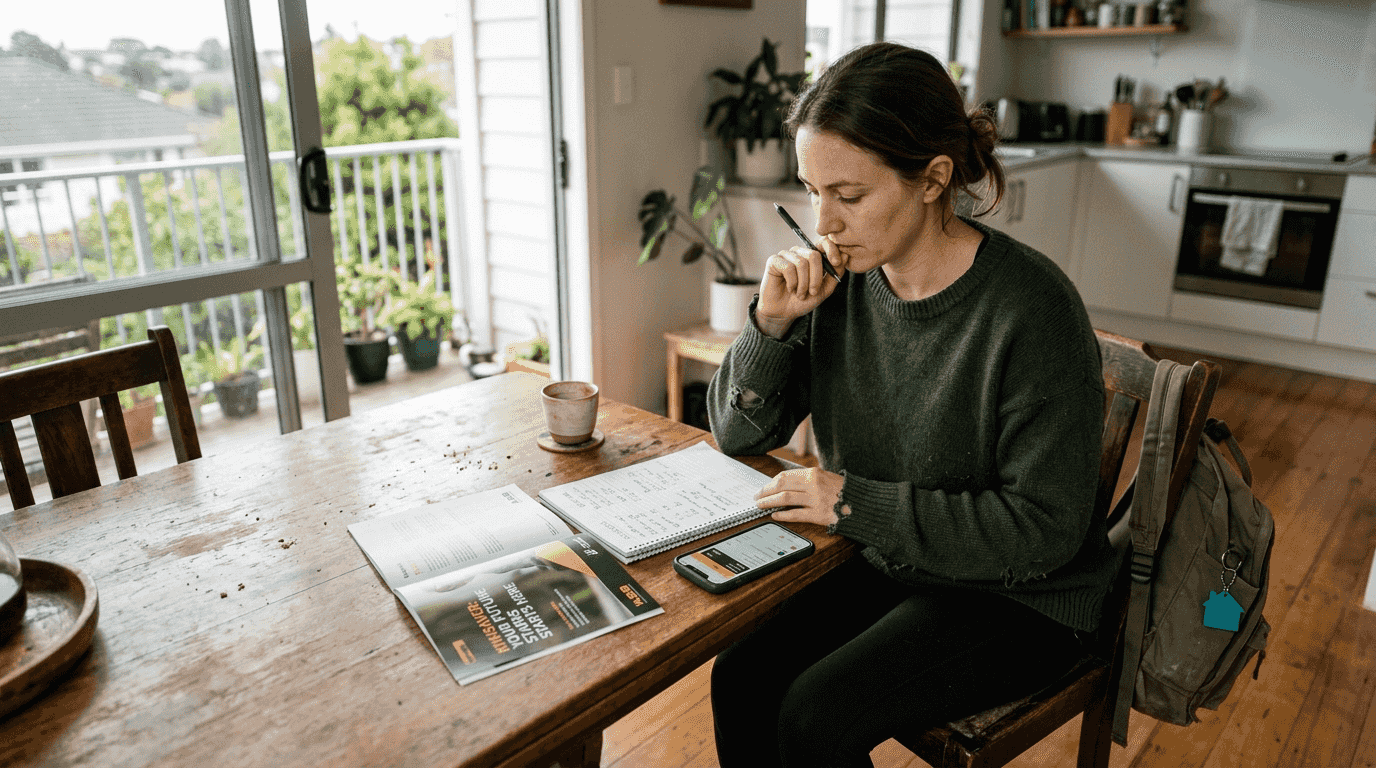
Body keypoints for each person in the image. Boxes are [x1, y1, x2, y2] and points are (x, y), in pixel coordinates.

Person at [705, 41, 1119, 768]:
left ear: (932, 179)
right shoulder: (842, 283)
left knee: (815, 715)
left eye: (850, 195)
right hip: (897, 558)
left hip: (1023, 596)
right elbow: (737, 430)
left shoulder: (1032, 311)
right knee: (741, 674)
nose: (823, 222)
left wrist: (851, 504)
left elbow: (1046, 531)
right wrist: (769, 328)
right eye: (811, 190)